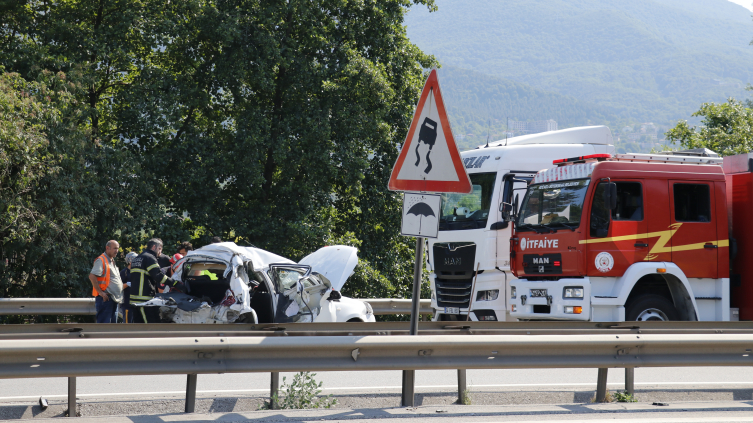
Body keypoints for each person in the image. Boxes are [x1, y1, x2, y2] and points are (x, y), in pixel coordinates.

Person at [129, 238, 185, 323]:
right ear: (154, 247)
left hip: (134, 299)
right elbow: (158, 275)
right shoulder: (150, 258)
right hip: (145, 299)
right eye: (160, 249)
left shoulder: (137, 259)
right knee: (152, 325)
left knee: (139, 326)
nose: (160, 253)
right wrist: (175, 283)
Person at [88, 240, 124, 323]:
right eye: (115, 248)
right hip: (106, 299)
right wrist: (101, 293)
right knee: (104, 328)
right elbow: (92, 276)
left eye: (117, 248)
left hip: (113, 299)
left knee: (111, 329)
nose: (117, 251)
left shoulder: (111, 260)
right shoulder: (101, 260)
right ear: (107, 248)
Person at [119, 252, 138, 323]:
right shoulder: (124, 272)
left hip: (136, 303)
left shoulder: (137, 272)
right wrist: (127, 284)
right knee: (127, 323)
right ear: (130, 262)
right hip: (127, 303)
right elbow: (119, 287)